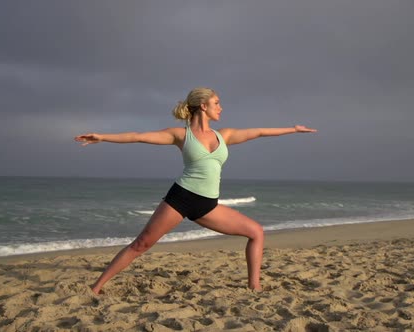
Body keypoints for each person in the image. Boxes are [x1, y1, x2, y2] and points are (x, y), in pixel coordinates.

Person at [74, 87, 316, 294]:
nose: (221, 108)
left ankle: (255, 287)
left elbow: (260, 132)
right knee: (141, 244)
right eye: (217, 103)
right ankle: (96, 288)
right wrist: (102, 137)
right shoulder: (181, 135)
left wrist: (293, 129)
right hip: (180, 198)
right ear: (203, 106)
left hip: (207, 205)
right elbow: (138, 136)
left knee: (256, 232)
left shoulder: (225, 136)